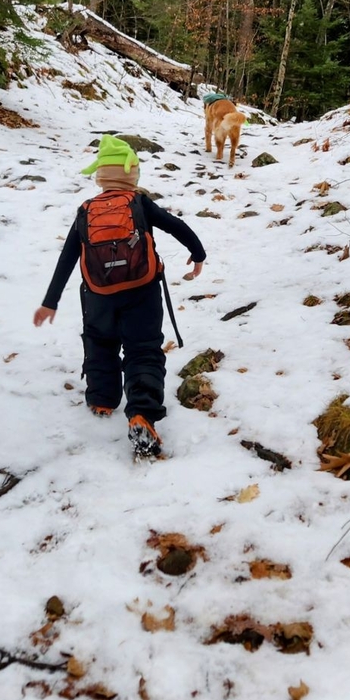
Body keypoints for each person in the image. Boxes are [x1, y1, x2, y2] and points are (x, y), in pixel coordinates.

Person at [33, 135, 207, 460]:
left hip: (98, 296)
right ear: (133, 174)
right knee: (143, 350)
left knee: (100, 344)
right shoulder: (139, 203)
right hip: (142, 291)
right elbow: (176, 226)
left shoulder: (86, 211)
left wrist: (50, 301)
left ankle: (102, 399)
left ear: (100, 176)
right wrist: (198, 254)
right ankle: (142, 413)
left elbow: (67, 257)